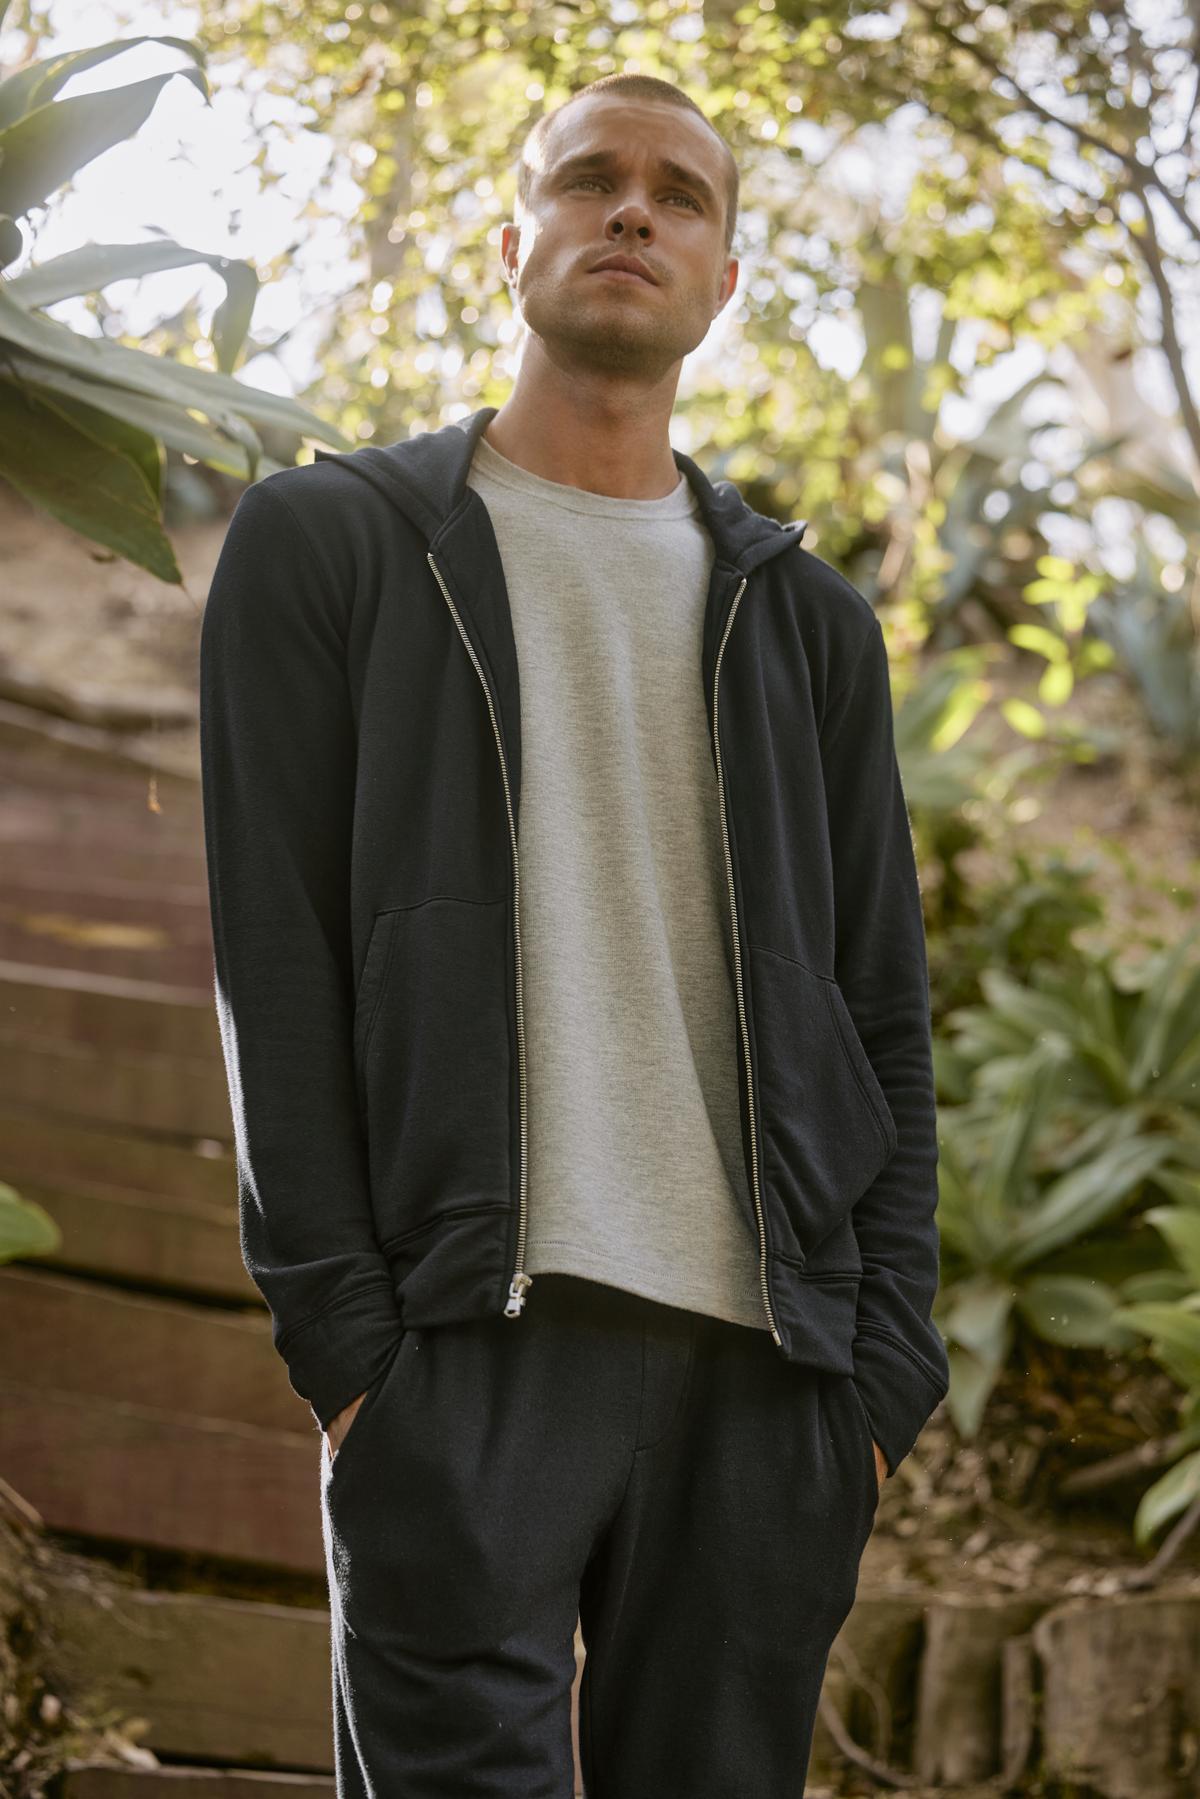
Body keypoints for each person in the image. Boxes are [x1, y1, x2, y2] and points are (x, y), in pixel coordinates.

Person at [199, 69, 949, 1799]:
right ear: (513, 234)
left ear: (726, 275)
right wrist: (351, 1355)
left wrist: (882, 1382)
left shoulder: (809, 622)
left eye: (683, 194)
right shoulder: (337, 548)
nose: (634, 211)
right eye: (592, 179)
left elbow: (882, 1016)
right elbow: (276, 964)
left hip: (772, 1379)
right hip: (467, 1349)